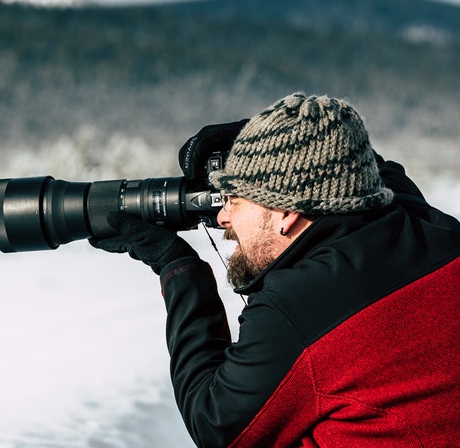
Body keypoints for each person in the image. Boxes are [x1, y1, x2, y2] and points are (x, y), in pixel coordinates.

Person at [90, 92, 460, 447]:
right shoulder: (433, 228)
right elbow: (364, 164)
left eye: (234, 199)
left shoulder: (299, 307)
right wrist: (261, 135)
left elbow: (214, 424)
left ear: (286, 213)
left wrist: (177, 267)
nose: (222, 217)